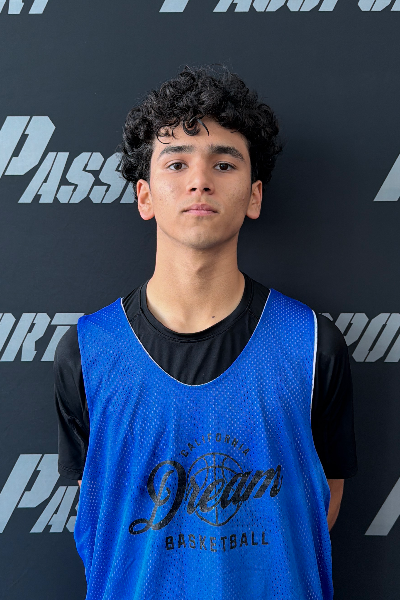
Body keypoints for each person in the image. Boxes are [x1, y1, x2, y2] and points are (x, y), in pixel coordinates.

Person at [54, 64, 357, 600]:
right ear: (145, 196)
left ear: (254, 195)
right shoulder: (88, 352)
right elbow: (101, 507)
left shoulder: (313, 345)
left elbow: (320, 505)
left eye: (223, 163)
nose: (200, 180)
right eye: (177, 162)